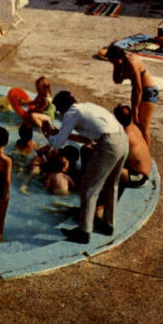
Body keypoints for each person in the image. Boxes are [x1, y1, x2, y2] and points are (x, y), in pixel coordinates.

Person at [45, 91, 129, 244]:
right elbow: (87, 139)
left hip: (109, 143)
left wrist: (47, 134)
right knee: (112, 184)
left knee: (89, 187)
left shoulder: (71, 113)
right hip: (122, 139)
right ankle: (108, 225)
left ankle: (84, 232)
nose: (59, 113)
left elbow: (57, 144)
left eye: (58, 110)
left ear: (63, 107)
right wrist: (63, 134)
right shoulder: (85, 107)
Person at [105, 44, 158, 148]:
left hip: (148, 91)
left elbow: (138, 87)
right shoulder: (120, 63)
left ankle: (146, 155)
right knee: (136, 124)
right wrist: (116, 66)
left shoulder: (131, 62)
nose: (115, 64)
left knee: (143, 126)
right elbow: (117, 80)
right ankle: (140, 149)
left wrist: (135, 109)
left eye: (115, 61)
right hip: (138, 91)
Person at [113, 105, 151, 197]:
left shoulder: (125, 136)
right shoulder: (134, 128)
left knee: (107, 168)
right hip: (141, 170)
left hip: (140, 178)